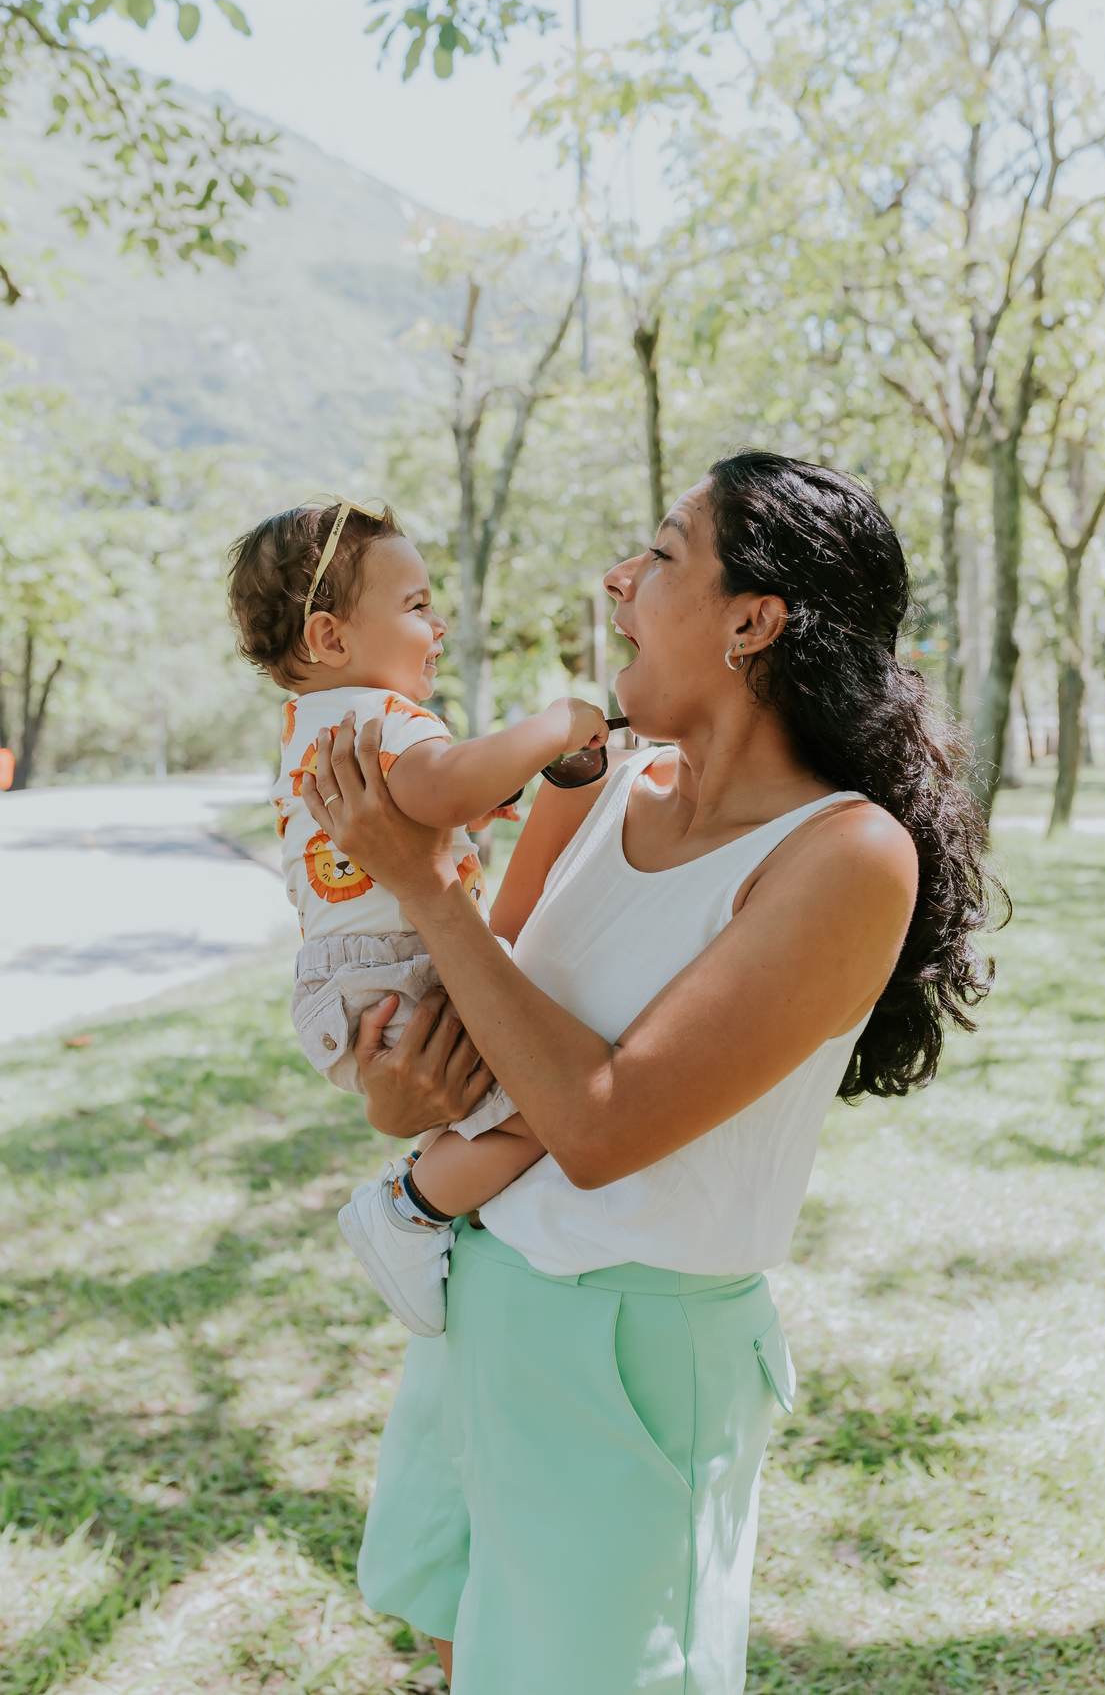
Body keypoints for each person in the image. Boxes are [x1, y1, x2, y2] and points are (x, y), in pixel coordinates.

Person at [300, 454, 1004, 1695]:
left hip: (631, 1360)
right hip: (481, 1305)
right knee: (469, 1652)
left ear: (751, 621)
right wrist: (396, 1092)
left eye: (664, 552)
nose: (620, 578)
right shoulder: (598, 780)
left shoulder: (847, 854)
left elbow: (600, 1123)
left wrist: (417, 879)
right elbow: (470, 1029)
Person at [227, 499, 608, 1334]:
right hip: (397, 971)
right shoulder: (384, 716)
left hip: (352, 979)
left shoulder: (311, 725)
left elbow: (406, 823)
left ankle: (428, 1206)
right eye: (416, 606)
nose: (437, 627)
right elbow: (438, 783)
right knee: (546, 1112)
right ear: (331, 638)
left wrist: (468, 814)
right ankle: (405, 1215)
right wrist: (557, 724)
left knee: (502, 1106)